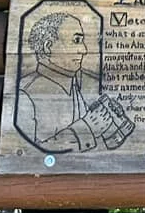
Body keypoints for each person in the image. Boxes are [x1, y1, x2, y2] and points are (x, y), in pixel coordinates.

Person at [16, 11, 132, 153]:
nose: (84, 50)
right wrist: (86, 129)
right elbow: (26, 154)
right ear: (48, 47)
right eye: (76, 41)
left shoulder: (79, 84)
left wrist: (115, 129)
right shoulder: (25, 94)